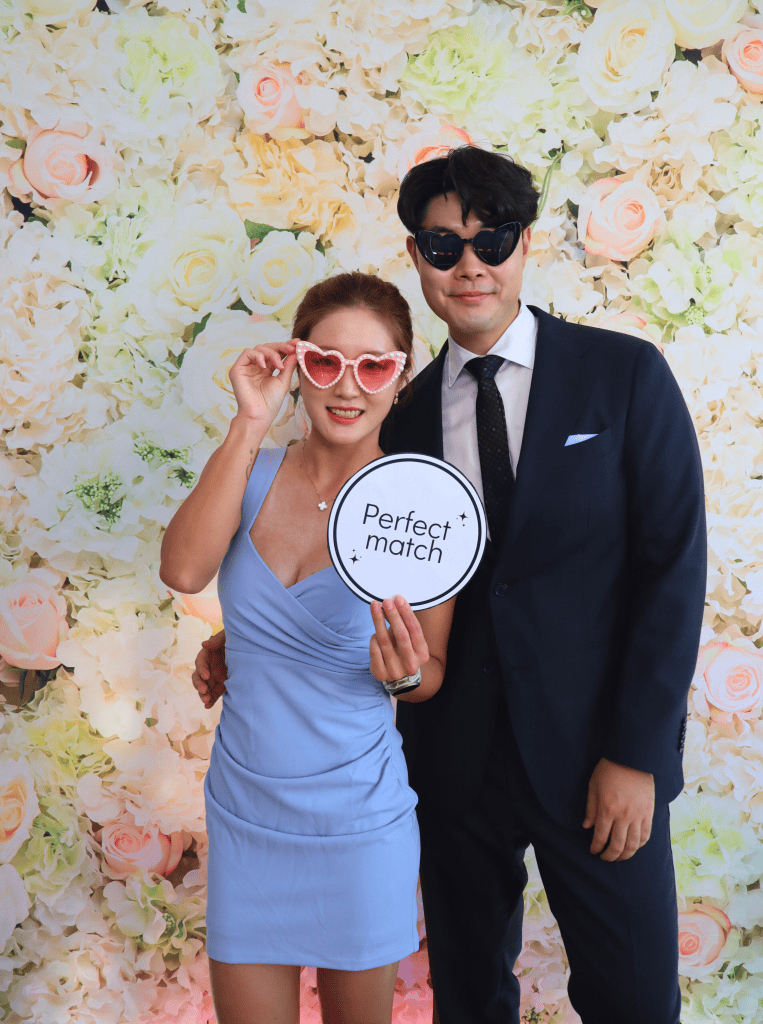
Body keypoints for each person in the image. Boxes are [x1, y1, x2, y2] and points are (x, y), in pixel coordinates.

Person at [192, 147, 706, 1024]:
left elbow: (672, 570)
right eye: (441, 246)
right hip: (450, 762)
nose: (469, 265)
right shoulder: (400, 412)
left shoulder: (623, 377)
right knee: (467, 1000)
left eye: (491, 239)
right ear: (417, 259)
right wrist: (246, 637)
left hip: (597, 760)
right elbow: (365, 562)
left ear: (525, 244)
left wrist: (637, 755)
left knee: (633, 1000)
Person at [161, 271, 456, 1024]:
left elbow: (428, 676)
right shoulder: (250, 474)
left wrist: (401, 675)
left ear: (402, 377)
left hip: (357, 824)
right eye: (325, 361)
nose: (347, 386)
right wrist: (248, 422)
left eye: (374, 365)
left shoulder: (419, 506)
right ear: (295, 365)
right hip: (245, 810)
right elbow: (183, 569)